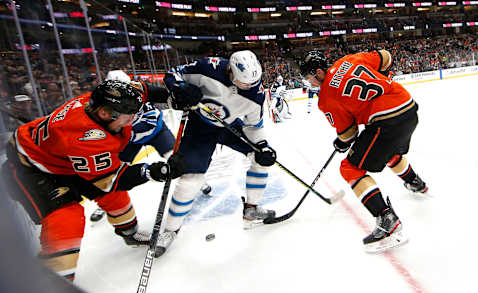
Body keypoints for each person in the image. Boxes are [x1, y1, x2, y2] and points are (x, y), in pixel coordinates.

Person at [1, 80, 184, 280]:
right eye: (128, 114)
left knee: (113, 197)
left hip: (60, 156)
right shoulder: (86, 138)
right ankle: (52, 285)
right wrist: (150, 171)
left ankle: (129, 233)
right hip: (30, 165)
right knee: (66, 217)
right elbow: (111, 180)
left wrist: (171, 96)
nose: (133, 118)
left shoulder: (99, 102)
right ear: (105, 114)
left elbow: (138, 90)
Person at [299, 49, 428, 253]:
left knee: (349, 168)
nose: (310, 83)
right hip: (408, 107)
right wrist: (383, 79)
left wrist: (341, 143)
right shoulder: (348, 60)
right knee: (387, 152)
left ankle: (387, 219)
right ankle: (416, 182)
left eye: (309, 78)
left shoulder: (325, 98)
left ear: (319, 72)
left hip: (385, 121)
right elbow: (386, 56)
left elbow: (349, 133)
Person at [154, 50, 277, 257]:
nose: (250, 87)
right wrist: (180, 88)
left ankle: (251, 209)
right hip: (199, 128)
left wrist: (262, 145)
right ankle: (171, 229)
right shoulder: (208, 67)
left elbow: (254, 126)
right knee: (191, 179)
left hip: (229, 127)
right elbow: (173, 73)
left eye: (254, 83)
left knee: (261, 159)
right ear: (230, 70)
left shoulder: (256, 94)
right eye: (245, 83)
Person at [89, 71, 211, 222]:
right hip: (131, 140)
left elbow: (155, 106)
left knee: (176, 159)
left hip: (156, 132)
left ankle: (198, 183)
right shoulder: (108, 104)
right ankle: (104, 205)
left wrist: (178, 99)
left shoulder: (137, 94)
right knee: (116, 172)